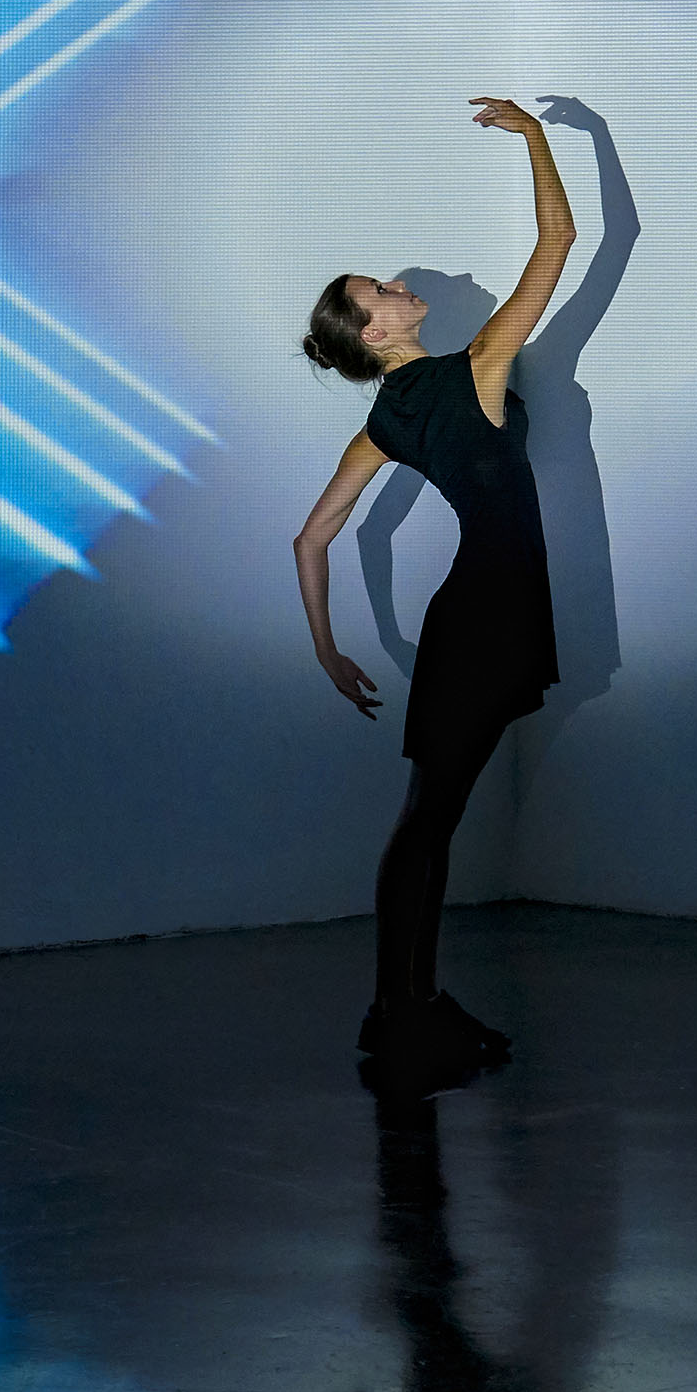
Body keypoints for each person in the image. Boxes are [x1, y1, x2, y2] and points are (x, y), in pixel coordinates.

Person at [292, 98, 575, 1074]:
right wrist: (538, 136)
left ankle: (401, 1007)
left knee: (430, 821)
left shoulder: (388, 421)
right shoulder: (478, 368)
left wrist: (333, 646)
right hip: (488, 624)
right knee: (429, 823)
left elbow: (314, 538)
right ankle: (400, 1013)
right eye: (385, 290)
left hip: (473, 621)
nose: (406, 285)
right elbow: (561, 238)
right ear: (375, 333)